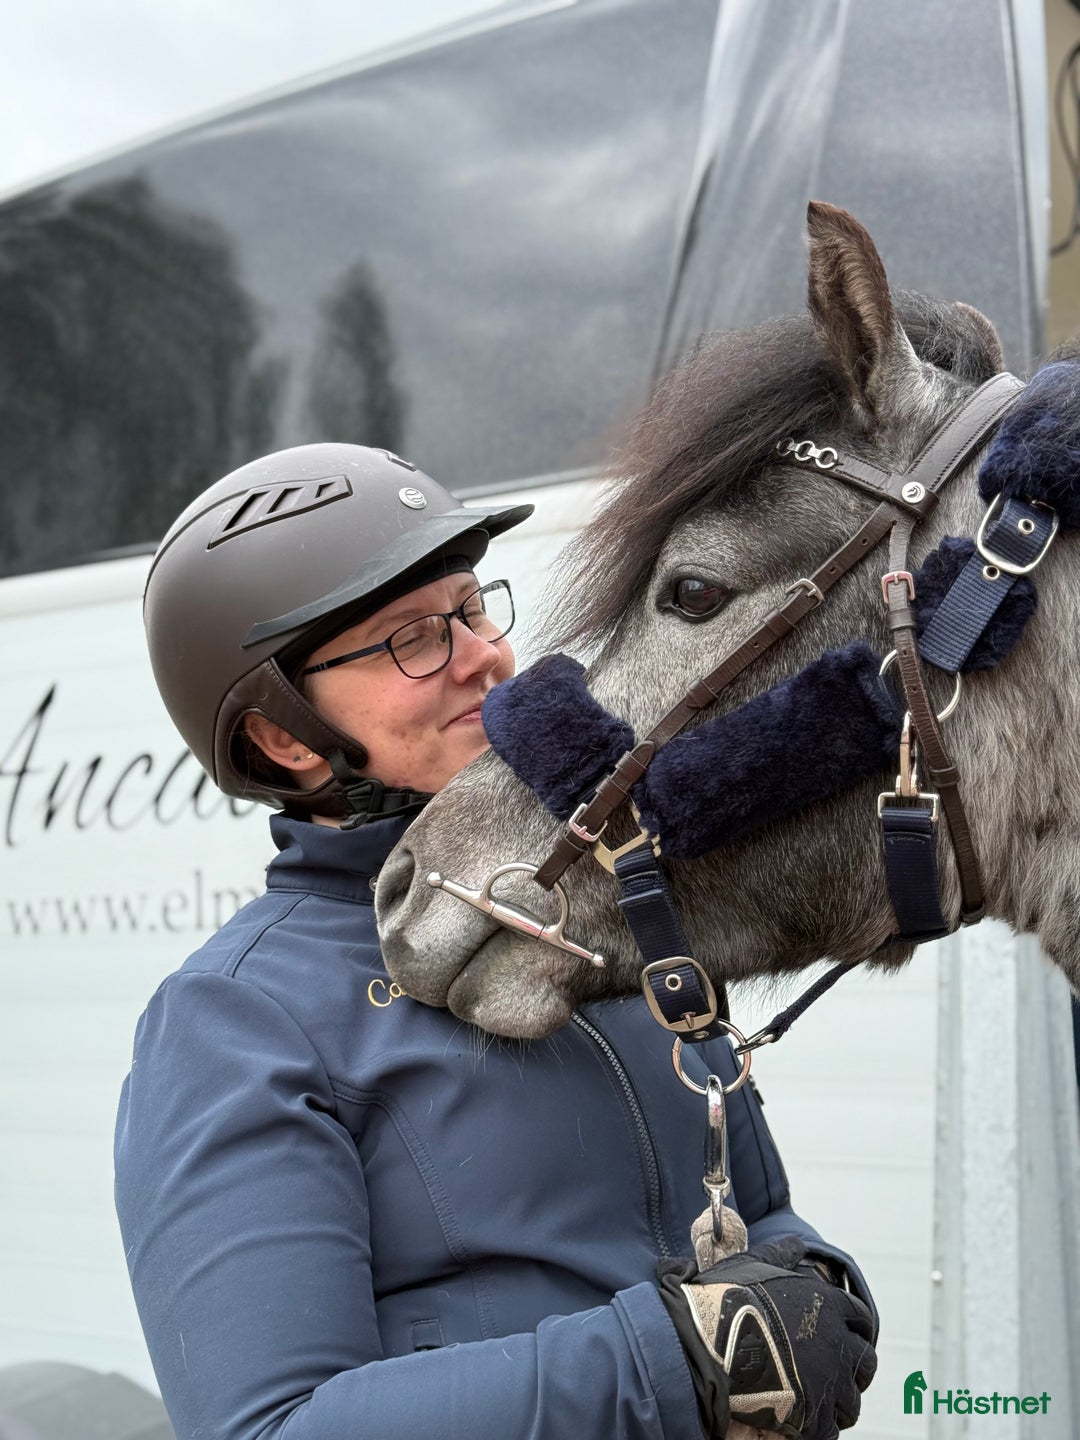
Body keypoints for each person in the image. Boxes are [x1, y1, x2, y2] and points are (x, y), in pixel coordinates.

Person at [115, 443, 878, 1440]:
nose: (485, 654)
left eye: (472, 609)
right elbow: (271, 1426)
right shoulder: (234, 1021)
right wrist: (675, 1361)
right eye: (411, 640)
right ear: (285, 740)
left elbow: (757, 1210)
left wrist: (817, 1284)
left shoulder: (606, 908)